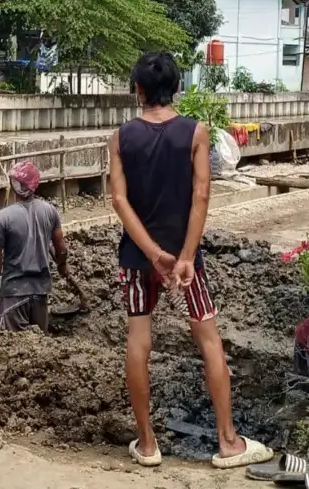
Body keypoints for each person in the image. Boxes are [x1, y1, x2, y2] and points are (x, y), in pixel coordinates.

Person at [109, 51, 273, 469]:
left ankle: (147, 445)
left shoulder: (121, 137)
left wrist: (152, 254)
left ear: (138, 90)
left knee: (138, 340)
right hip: (187, 264)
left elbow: (119, 200)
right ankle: (228, 442)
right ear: (177, 88)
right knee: (209, 340)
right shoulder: (196, 132)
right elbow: (202, 194)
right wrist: (182, 257)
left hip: (136, 259)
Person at [0, 161, 68, 332]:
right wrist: (62, 264)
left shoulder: (5, 217)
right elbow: (61, 249)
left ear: (15, 186)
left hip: (14, 293)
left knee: (11, 346)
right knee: (40, 346)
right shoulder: (50, 211)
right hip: (40, 291)